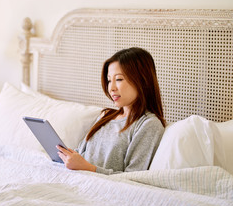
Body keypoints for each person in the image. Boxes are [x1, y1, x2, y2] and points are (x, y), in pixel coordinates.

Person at [57, 47, 166, 175]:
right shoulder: (106, 115)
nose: (111, 88)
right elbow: (81, 153)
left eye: (119, 79)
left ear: (142, 80)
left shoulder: (148, 124)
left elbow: (134, 178)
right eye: (109, 80)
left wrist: (88, 168)